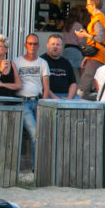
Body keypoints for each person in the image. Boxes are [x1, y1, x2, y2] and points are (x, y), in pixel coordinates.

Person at [14, 33, 50, 171]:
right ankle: (35, 168)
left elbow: (46, 86)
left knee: (41, 134)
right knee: (35, 133)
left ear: (38, 46)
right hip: (23, 102)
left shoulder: (42, 63)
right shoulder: (17, 62)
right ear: (25, 45)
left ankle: (38, 167)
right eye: (30, 43)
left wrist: (43, 103)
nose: (32, 46)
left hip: (37, 101)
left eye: (35, 44)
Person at [76, 0, 105, 99]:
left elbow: (99, 38)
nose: (86, 7)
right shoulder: (97, 18)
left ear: (93, 5)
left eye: (88, 4)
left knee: (85, 82)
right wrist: (87, 56)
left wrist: (85, 34)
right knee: (92, 82)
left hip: (97, 55)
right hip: (95, 54)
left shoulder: (98, 19)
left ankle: (80, 103)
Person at [41, 34, 77, 99]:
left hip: (66, 95)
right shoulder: (41, 61)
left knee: (79, 99)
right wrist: (55, 98)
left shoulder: (66, 62)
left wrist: (69, 98)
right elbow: (42, 84)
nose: (55, 47)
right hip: (49, 95)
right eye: (53, 44)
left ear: (61, 47)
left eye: (58, 44)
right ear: (47, 46)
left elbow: (73, 83)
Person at [61, 7, 85, 80]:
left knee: (66, 71)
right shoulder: (78, 25)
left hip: (66, 49)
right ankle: (82, 88)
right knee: (81, 70)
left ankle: (67, 86)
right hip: (75, 50)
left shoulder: (66, 25)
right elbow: (80, 41)